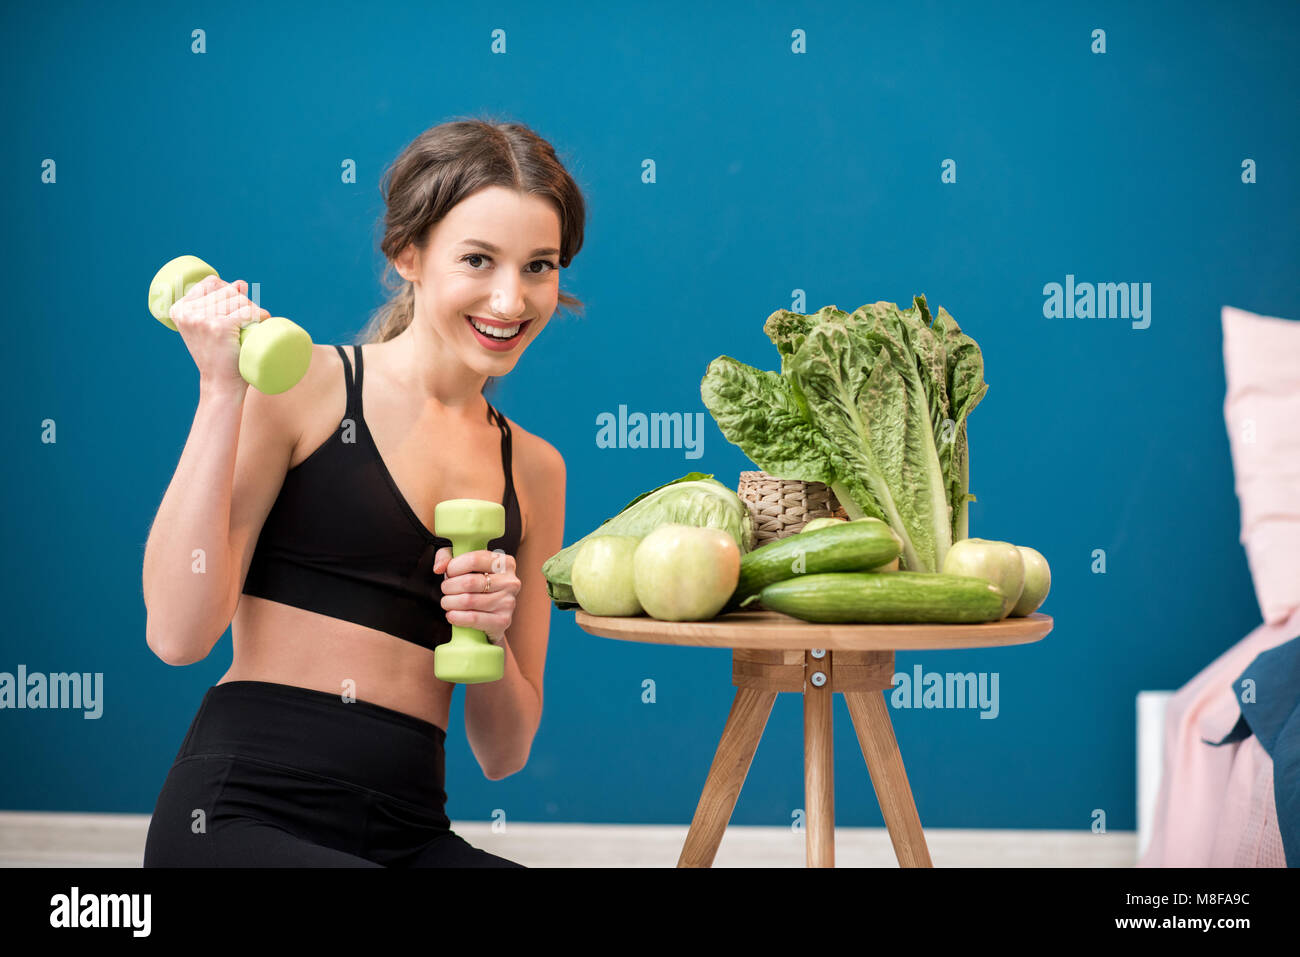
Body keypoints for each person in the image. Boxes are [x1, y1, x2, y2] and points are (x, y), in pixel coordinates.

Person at [141, 116, 583, 867]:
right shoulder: (302, 387)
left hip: (410, 830)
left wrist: (492, 628)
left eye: (539, 266)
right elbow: (178, 637)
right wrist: (221, 391)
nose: (510, 300)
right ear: (409, 254)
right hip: (246, 809)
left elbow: (504, 751)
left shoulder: (535, 469)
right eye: (478, 259)